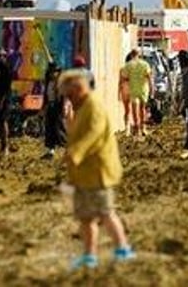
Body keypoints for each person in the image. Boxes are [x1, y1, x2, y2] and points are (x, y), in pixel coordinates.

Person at [60, 70, 135, 270]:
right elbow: (78, 132)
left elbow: (93, 133)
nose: (68, 99)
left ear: (78, 89)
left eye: (69, 94)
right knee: (86, 217)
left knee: (106, 212)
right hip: (84, 174)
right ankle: (89, 255)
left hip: (99, 171)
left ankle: (123, 249)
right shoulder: (82, 107)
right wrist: (69, 122)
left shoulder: (94, 105)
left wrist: (76, 152)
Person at [120, 49, 153, 137]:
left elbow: (124, 79)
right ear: (139, 55)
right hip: (143, 89)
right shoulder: (145, 64)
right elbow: (149, 77)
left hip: (133, 89)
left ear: (131, 55)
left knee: (135, 110)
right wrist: (152, 88)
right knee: (142, 109)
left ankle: (137, 129)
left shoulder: (128, 65)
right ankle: (143, 128)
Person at [42, 62, 67, 160]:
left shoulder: (60, 83)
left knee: (59, 128)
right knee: (49, 128)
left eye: (55, 72)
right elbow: (46, 96)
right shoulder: (49, 82)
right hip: (50, 106)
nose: (53, 74)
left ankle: (66, 148)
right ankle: (51, 151)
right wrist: (44, 107)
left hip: (57, 107)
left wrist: (64, 107)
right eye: (51, 72)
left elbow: (63, 97)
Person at [118, 52, 133, 134]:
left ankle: (128, 127)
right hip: (129, 90)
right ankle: (128, 127)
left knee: (128, 110)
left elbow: (120, 82)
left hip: (126, 90)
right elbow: (120, 82)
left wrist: (119, 93)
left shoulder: (123, 69)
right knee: (129, 110)